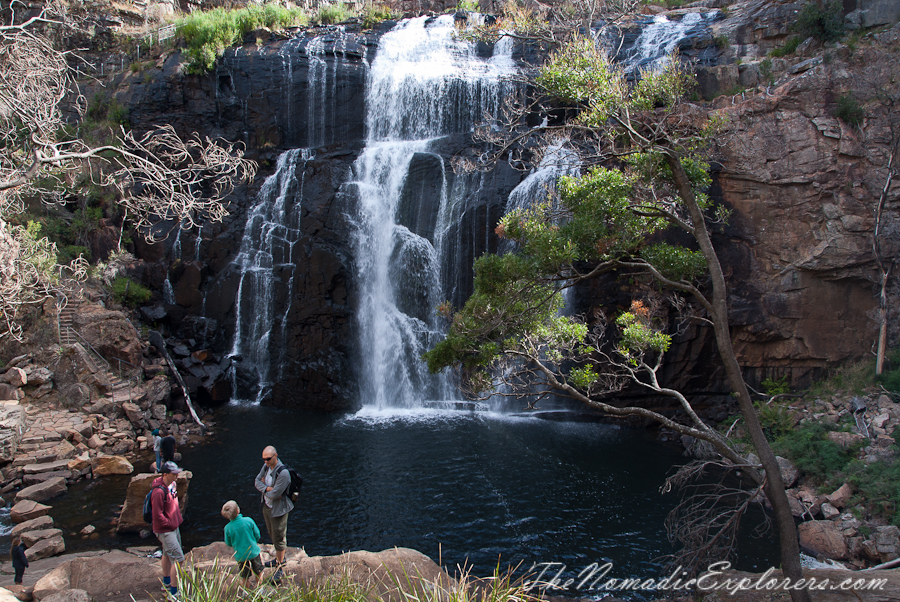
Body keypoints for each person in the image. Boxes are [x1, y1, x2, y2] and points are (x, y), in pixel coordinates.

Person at [254, 445, 293, 582]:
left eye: (268, 459)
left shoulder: (283, 473)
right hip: (267, 506)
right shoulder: (266, 467)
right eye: (264, 459)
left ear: (275, 456)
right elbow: (257, 481)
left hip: (279, 509)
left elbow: (276, 494)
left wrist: (265, 488)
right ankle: (278, 558)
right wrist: (267, 488)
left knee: (279, 536)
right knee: (272, 533)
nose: (265, 462)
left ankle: (280, 568)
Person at [152, 461, 185, 600]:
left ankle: (166, 582)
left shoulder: (172, 485)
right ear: (165, 474)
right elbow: (157, 515)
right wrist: (169, 524)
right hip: (166, 530)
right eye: (174, 474)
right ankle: (174, 592)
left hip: (173, 526)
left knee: (166, 553)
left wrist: (176, 520)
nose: (177, 475)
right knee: (179, 559)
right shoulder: (158, 492)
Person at [222, 500, 263, 590]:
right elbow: (257, 535)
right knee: (258, 571)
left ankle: (246, 593)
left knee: (245, 576)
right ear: (238, 510)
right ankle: (260, 590)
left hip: (240, 556)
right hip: (253, 552)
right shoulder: (248, 521)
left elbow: (228, 543)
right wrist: (253, 542)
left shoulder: (227, 528)